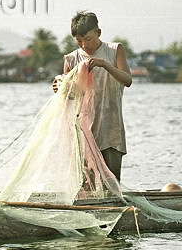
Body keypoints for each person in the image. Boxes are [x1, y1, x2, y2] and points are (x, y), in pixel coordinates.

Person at [53, 12, 132, 180]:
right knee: (86, 184)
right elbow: (71, 96)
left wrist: (105, 65)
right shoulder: (71, 59)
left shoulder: (114, 50)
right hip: (83, 131)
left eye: (88, 39)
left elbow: (127, 80)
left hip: (111, 129)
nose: (84, 45)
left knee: (112, 182)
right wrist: (60, 88)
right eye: (79, 41)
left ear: (98, 33)